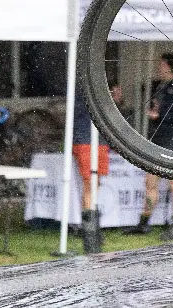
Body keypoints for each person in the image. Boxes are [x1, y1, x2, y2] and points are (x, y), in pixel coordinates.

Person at [125, 54, 173, 240]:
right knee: (150, 181)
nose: (158, 68)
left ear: (170, 66)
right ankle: (144, 222)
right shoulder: (161, 86)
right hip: (158, 138)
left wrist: (161, 115)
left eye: (162, 65)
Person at [72, 81, 119, 253]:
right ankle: (90, 233)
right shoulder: (84, 88)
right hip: (86, 138)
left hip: (98, 140)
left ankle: (91, 228)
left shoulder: (97, 88)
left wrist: (114, 100)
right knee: (89, 185)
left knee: (94, 184)